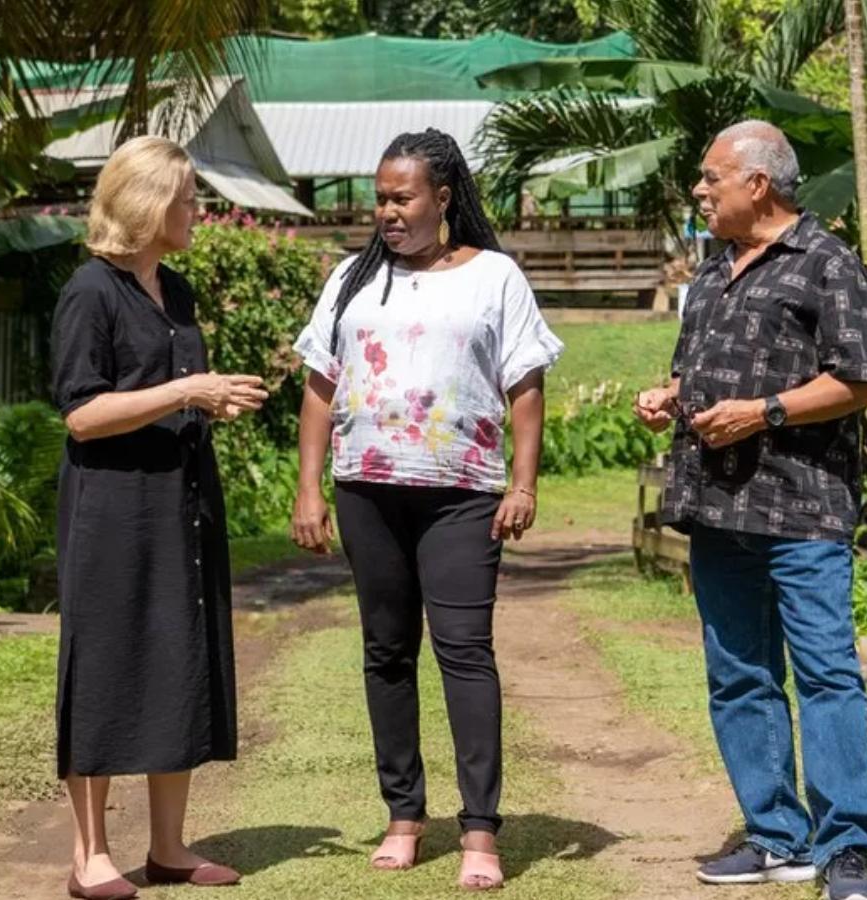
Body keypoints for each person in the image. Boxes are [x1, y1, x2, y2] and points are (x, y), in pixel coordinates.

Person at [291, 128, 564, 892]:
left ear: (442, 198)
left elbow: (526, 386)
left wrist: (524, 484)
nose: (386, 210)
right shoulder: (351, 278)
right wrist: (309, 487)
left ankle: (479, 830)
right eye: (379, 197)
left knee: (464, 650)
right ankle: (404, 815)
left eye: (401, 196)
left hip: (462, 493)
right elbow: (319, 385)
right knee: (385, 651)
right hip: (367, 490)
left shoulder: (495, 277)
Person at [633, 120, 867, 900]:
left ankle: (845, 847)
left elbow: (866, 380)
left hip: (803, 509)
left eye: (712, 178)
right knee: (739, 675)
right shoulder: (710, 274)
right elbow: (702, 371)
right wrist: (671, 395)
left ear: (759, 183)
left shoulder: (828, 263)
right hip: (716, 507)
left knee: (825, 675)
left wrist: (765, 412)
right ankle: (775, 836)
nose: (700, 192)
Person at [50, 136, 269, 899]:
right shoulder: (89, 291)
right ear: (146, 205)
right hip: (112, 511)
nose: (195, 209)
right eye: (185, 197)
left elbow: (175, 387)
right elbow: (82, 413)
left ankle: (170, 848)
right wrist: (187, 392)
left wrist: (213, 399)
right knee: (106, 665)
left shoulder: (173, 290)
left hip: (180, 496)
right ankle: (90, 857)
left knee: (178, 657)